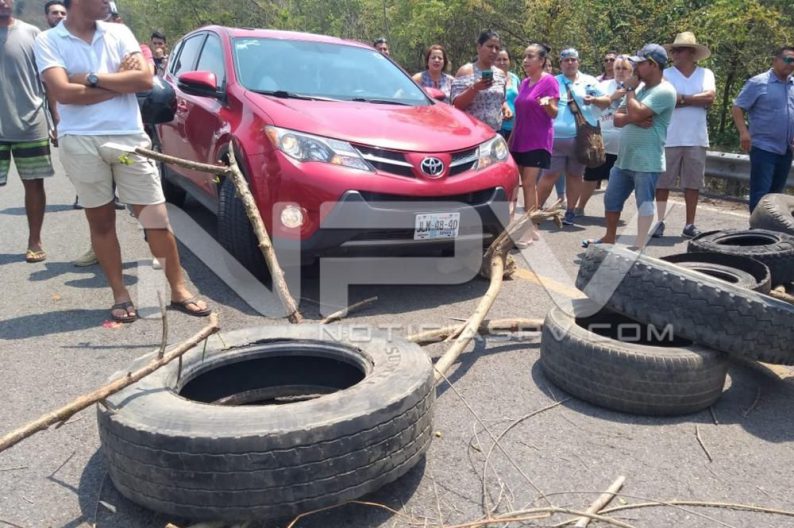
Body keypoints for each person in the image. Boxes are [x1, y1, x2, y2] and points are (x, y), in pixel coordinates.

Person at [35, 0, 211, 323]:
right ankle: (120, 293)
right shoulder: (48, 41)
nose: (107, 2)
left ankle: (178, 289)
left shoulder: (119, 32)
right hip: (80, 141)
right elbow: (62, 92)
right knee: (101, 222)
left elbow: (144, 81)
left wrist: (87, 78)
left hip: (128, 138)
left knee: (156, 218)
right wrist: (118, 81)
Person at [582, 44, 677, 250]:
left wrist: (631, 98)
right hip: (624, 158)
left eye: (640, 64)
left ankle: (639, 244)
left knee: (644, 203)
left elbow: (633, 113)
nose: (636, 69)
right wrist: (635, 115)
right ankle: (609, 236)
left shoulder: (665, 91)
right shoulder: (640, 90)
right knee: (612, 199)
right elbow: (617, 118)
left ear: (652, 65)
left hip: (647, 159)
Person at [0, 0, 55, 264]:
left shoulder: (32, 33)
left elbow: (49, 80)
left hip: (30, 123)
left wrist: (57, 120)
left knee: (34, 183)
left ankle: (35, 241)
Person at [537, 48, 610, 225]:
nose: (570, 63)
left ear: (578, 62)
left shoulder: (589, 81)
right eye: (566, 60)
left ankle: (570, 211)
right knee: (549, 175)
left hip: (582, 139)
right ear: (560, 63)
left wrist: (594, 100)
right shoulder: (552, 81)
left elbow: (607, 100)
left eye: (573, 60)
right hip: (556, 138)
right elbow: (540, 101)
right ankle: (536, 210)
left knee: (575, 175)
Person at [653, 32, 715, 239]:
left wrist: (682, 99)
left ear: (691, 52)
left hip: (696, 137)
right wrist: (689, 100)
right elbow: (665, 100)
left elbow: (710, 97)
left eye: (679, 50)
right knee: (662, 183)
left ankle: (690, 224)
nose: (675, 53)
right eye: (673, 50)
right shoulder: (665, 74)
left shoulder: (705, 73)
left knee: (692, 184)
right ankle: (659, 222)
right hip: (669, 136)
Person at [732, 46, 794, 213]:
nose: (791, 64)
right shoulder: (758, 82)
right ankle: (756, 233)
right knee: (761, 194)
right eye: (788, 59)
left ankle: (771, 234)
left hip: (786, 149)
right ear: (775, 60)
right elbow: (738, 107)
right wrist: (744, 133)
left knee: (776, 197)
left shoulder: (793, 85)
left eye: (793, 61)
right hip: (763, 147)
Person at [509, 43, 559, 247]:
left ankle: (528, 230)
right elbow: (519, 115)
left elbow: (554, 113)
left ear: (541, 61)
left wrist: (547, 105)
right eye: (524, 56)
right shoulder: (524, 83)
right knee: (517, 185)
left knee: (529, 184)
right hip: (519, 139)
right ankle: (532, 227)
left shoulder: (550, 81)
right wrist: (510, 139)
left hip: (537, 141)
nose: (525, 60)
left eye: (530, 56)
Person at [575, 55, 632, 215]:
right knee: (592, 175)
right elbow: (594, 106)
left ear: (631, 71)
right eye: (618, 68)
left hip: (624, 141)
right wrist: (612, 97)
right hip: (602, 139)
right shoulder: (604, 85)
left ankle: (613, 211)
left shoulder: (636, 89)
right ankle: (580, 207)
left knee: (619, 181)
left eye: (625, 69)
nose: (621, 72)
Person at [450, 30, 511, 132]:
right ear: (479, 47)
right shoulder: (466, 71)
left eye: (497, 48)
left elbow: (501, 100)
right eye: (490, 46)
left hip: (495, 132)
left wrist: (505, 109)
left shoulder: (500, 74)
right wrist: (475, 88)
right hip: (472, 132)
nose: (494, 51)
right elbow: (456, 105)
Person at [495, 49, 522, 141]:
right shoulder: (490, 79)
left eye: (505, 59)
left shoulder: (515, 78)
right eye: (498, 59)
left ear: (509, 61)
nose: (502, 62)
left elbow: (520, 99)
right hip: (497, 127)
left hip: (514, 126)